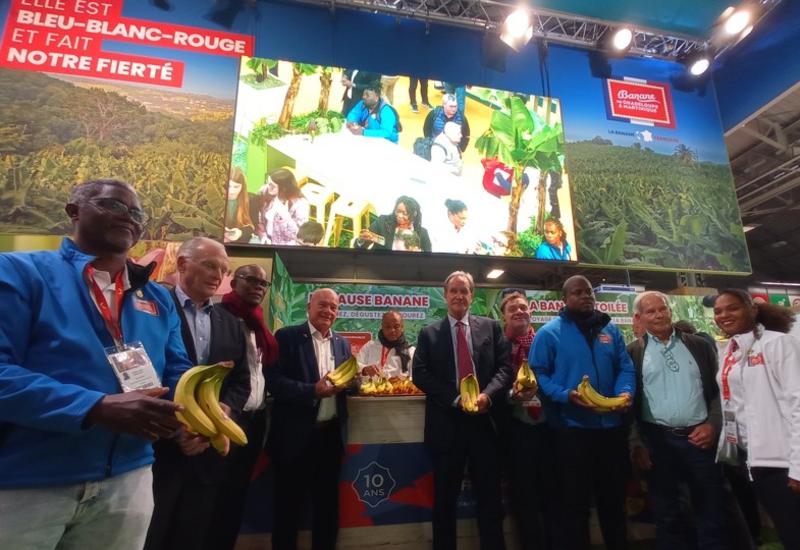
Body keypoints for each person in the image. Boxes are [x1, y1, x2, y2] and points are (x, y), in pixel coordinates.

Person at [0, 178, 191, 550]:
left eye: (137, 213)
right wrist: (94, 407)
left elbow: (176, 369)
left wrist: (193, 414)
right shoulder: (20, 273)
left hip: (130, 478)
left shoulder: (156, 298)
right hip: (30, 480)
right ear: (73, 211)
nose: (129, 218)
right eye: (114, 206)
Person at [146, 237, 252, 550]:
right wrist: (178, 425)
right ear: (181, 264)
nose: (218, 275)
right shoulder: (153, 311)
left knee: (192, 534)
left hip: (209, 448)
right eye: (209, 265)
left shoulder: (231, 324)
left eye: (224, 269)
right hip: (160, 448)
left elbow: (241, 381)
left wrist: (224, 409)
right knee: (152, 535)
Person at [529, 275, 635, 550]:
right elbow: (538, 374)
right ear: (564, 300)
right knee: (574, 506)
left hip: (611, 429)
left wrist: (625, 392)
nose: (586, 296)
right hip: (572, 431)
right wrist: (565, 395)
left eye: (589, 292)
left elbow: (625, 367)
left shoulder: (611, 331)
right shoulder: (548, 333)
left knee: (613, 502)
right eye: (578, 292)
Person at [412, 271, 513, 550]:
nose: (459, 296)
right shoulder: (429, 334)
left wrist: (487, 396)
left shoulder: (491, 328)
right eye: (453, 291)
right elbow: (419, 374)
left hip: (485, 425)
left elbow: (505, 369)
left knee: (490, 499)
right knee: (444, 500)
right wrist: (456, 399)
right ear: (445, 296)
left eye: (464, 291)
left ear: (472, 295)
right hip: (447, 426)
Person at [627, 291, 729, 550]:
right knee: (667, 514)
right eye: (651, 311)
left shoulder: (699, 345)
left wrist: (713, 425)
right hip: (658, 444)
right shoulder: (633, 353)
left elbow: (720, 391)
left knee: (711, 511)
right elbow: (629, 404)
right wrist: (637, 443)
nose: (659, 315)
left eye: (663, 309)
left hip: (700, 441)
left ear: (670, 310)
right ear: (639, 317)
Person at [265, 288, 353, 550]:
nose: (328, 311)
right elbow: (274, 381)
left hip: (330, 437)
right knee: (288, 509)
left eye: (334, 307)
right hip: (294, 439)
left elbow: (345, 383)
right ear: (309, 307)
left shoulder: (342, 343)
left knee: (327, 509)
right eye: (323, 305)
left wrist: (356, 380)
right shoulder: (288, 337)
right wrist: (311, 391)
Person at [713, 289, 800, 549]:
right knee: (785, 530)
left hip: (783, 459)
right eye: (718, 311)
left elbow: (797, 402)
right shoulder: (729, 350)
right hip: (750, 456)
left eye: (733, 308)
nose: (724, 315)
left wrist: (797, 466)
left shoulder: (777, 343)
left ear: (753, 309)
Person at [213, 263, 279, 549]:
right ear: (233, 282)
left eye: (263, 284)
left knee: (237, 493)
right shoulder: (218, 316)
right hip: (224, 417)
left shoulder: (257, 323)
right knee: (215, 494)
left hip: (254, 419)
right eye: (251, 280)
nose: (258, 287)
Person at [498, 291, 556, 550]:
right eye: (513, 309)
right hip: (515, 429)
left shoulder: (546, 341)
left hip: (549, 426)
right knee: (524, 497)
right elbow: (492, 382)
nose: (519, 311)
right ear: (504, 316)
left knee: (553, 491)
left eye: (523, 307)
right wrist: (512, 393)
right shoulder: (496, 345)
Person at [355, 195, 432, 252]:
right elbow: (358, 248)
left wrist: (420, 253)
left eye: (404, 213)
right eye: (397, 211)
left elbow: (429, 260)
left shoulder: (423, 234)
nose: (399, 215)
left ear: (414, 214)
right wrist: (361, 241)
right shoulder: (382, 222)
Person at [356, 310, 415, 380]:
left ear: (402, 328)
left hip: (400, 390)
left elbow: (417, 377)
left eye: (396, 327)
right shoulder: (370, 347)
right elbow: (355, 368)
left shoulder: (411, 351)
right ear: (382, 327)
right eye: (388, 327)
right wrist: (364, 370)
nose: (392, 330)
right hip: (370, 389)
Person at [257, 168, 310, 246]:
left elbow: (301, 236)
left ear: (284, 188)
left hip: (287, 244)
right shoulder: (264, 191)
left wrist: (285, 216)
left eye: (272, 186)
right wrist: (263, 236)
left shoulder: (300, 205)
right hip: (266, 240)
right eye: (268, 183)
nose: (268, 187)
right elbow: (259, 219)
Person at [224, 166, 255, 243]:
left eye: (236, 187)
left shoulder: (252, 199)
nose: (231, 191)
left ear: (243, 186)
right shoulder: (212, 198)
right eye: (228, 186)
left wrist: (240, 233)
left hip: (240, 245)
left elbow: (253, 226)